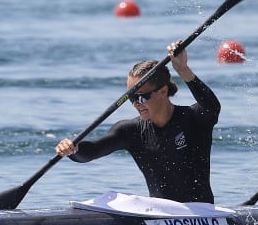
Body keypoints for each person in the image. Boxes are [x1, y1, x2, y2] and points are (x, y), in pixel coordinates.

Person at [55, 42, 219, 205]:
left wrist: (183, 70)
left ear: (163, 91)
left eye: (140, 97)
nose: (135, 104)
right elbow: (92, 151)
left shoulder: (194, 118)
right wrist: (73, 149)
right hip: (159, 215)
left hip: (201, 214)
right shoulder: (130, 131)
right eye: (131, 97)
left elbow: (212, 106)